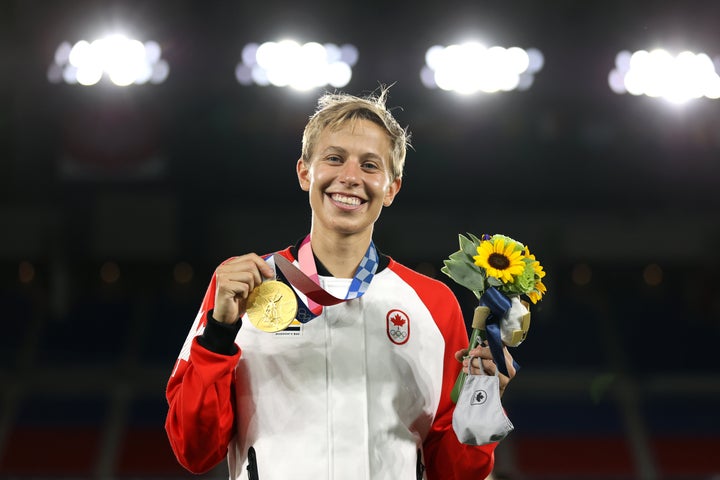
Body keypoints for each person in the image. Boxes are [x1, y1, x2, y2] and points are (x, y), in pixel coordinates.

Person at [165, 87, 517, 479]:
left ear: (391, 189)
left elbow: (456, 474)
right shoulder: (242, 286)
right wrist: (218, 333)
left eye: (370, 166)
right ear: (304, 172)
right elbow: (193, 449)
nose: (350, 177)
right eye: (334, 158)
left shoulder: (434, 304)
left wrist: (481, 400)